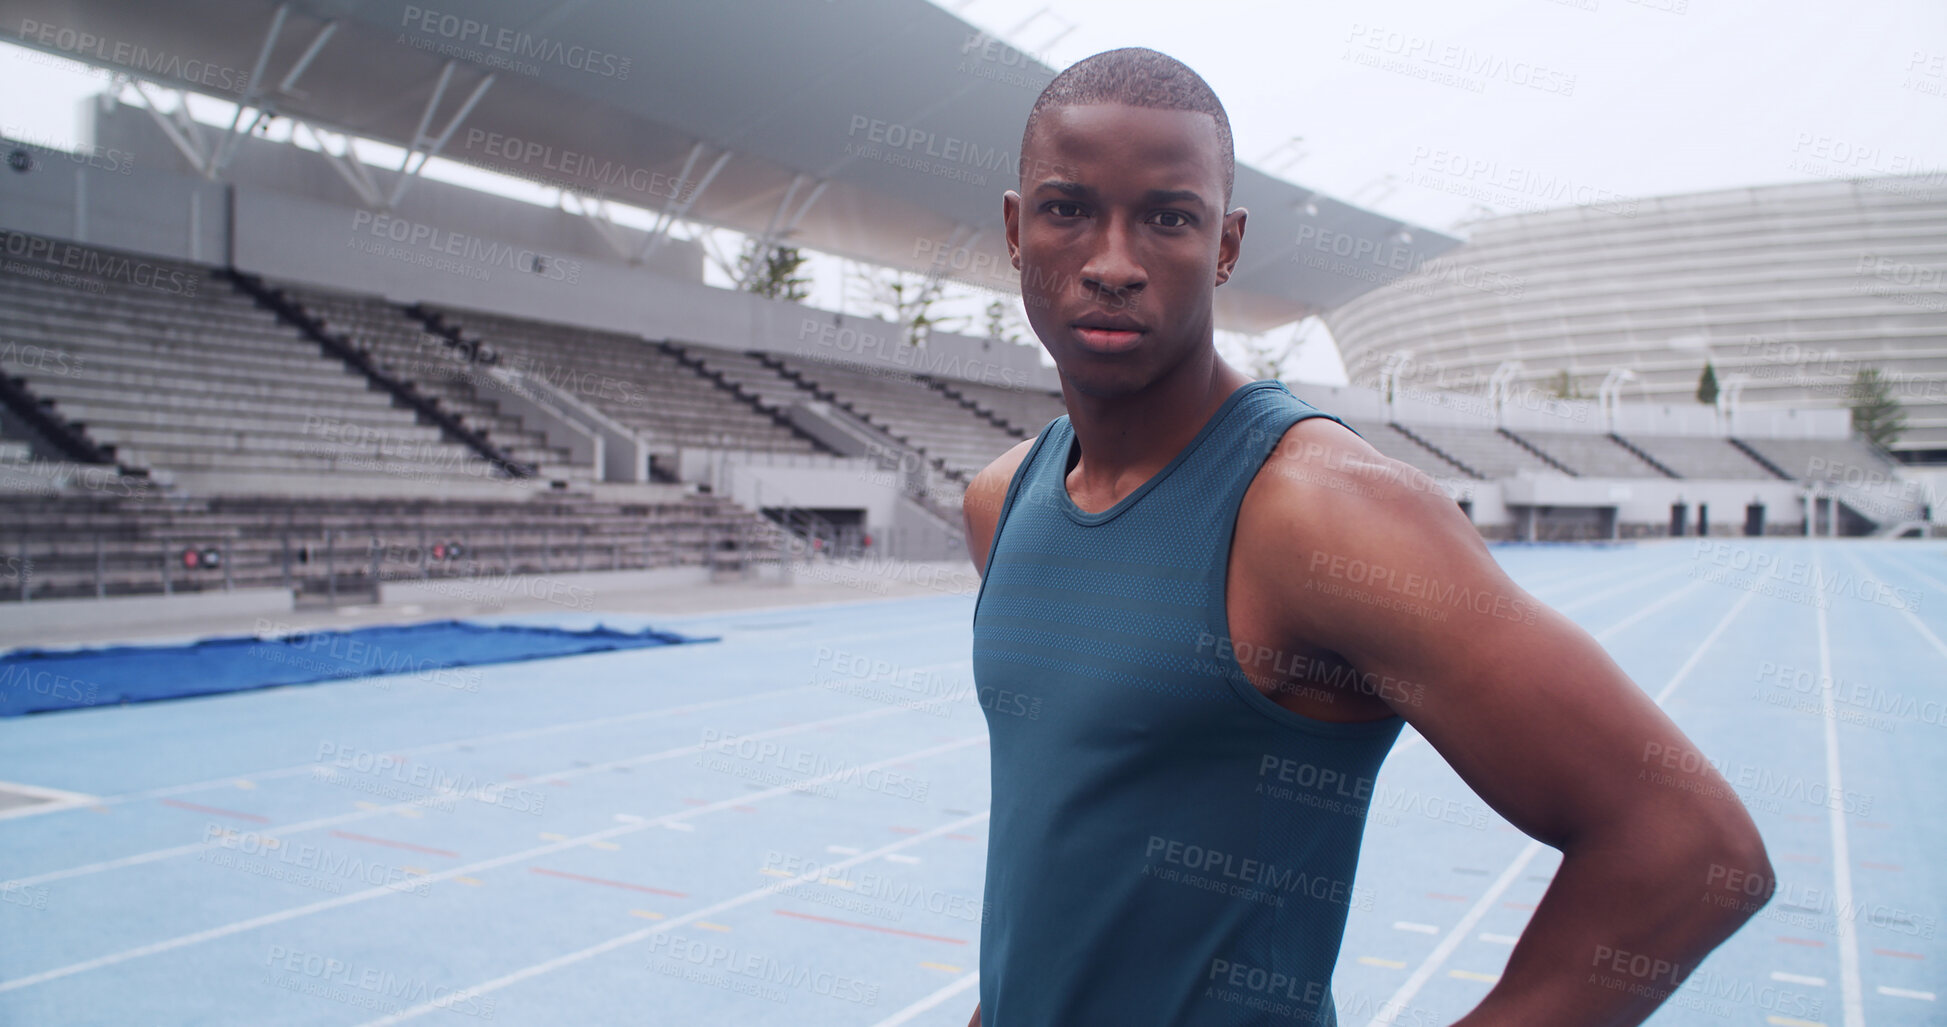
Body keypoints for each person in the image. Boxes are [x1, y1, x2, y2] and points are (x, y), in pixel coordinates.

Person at [960, 47, 1771, 1026]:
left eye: (1169, 217)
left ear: (1226, 244)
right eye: (1069, 208)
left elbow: (1694, 851)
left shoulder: (1322, 510)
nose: (1114, 261)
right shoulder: (1003, 501)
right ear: (1016, 228)